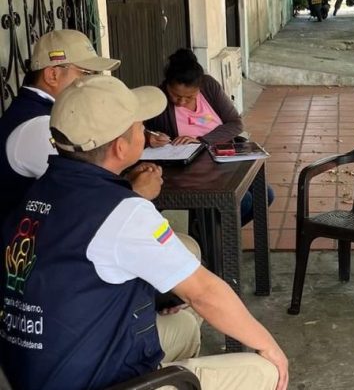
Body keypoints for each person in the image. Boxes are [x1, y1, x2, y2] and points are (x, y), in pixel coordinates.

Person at [0, 75, 288, 390]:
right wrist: (270, 345)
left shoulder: (39, 190)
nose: (146, 131)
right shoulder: (121, 210)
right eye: (140, 126)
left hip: (37, 370)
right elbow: (204, 293)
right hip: (96, 382)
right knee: (266, 369)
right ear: (121, 147)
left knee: (183, 327)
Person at [0, 30, 161, 220]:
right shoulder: (42, 126)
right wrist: (135, 192)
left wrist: (124, 182)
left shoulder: (50, 114)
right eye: (86, 73)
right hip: (29, 244)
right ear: (52, 75)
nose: (92, 81)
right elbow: (83, 203)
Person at [144, 48, 274, 224]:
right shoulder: (158, 98)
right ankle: (214, 239)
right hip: (191, 172)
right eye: (175, 95)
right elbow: (139, 130)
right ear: (167, 85)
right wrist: (149, 136)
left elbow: (235, 123)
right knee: (244, 202)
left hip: (223, 160)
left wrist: (202, 141)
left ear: (199, 87)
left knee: (266, 195)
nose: (181, 102)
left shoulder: (209, 86)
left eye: (188, 97)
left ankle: (216, 237)